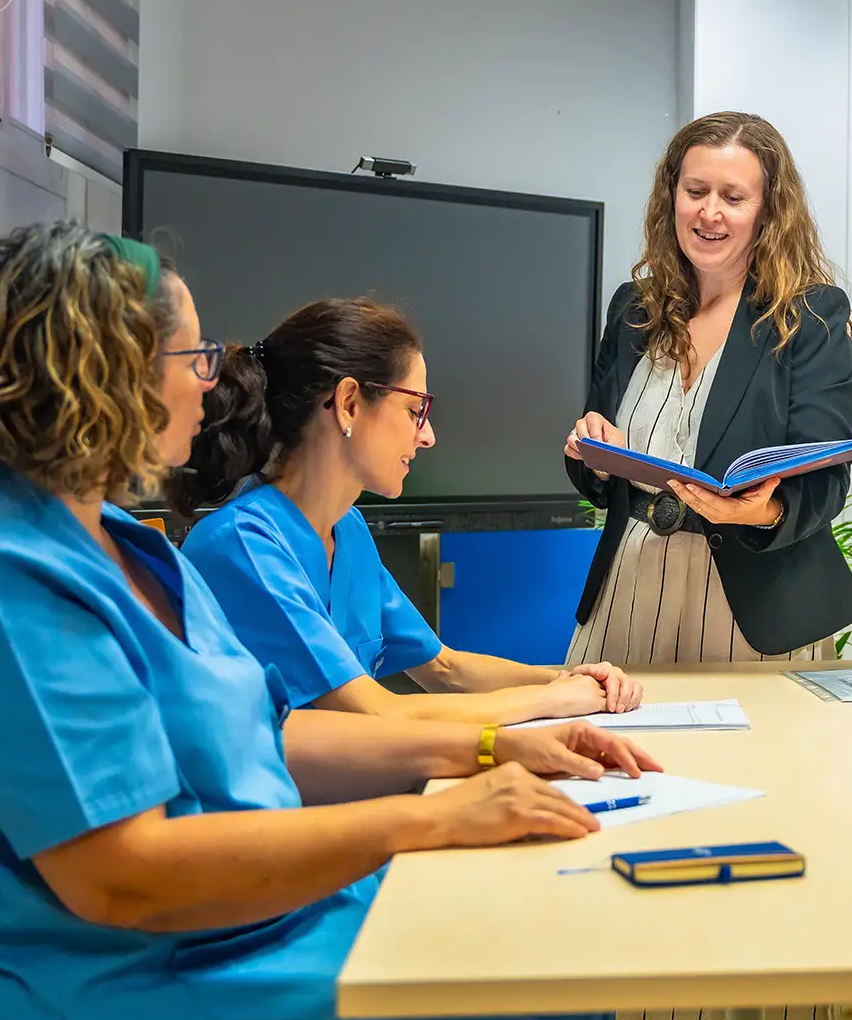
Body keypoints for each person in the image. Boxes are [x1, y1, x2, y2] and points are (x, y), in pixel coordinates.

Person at [0, 223, 661, 1020]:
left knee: (580, 1016)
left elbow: (274, 734)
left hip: (251, 933)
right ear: (103, 372)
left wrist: (493, 747)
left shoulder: (122, 539)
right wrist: (429, 817)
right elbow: (121, 877)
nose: (213, 377)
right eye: (191, 355)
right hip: (124, 1008)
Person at [559, 110, 852, 1020]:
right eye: (695, 190)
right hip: (635, 587)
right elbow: (600, 451)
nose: (711, 211)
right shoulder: (631, 307)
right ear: (670, 197)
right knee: (622, 811)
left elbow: (825, 469)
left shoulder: (811, 316)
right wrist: (588, 444)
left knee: (741, 828)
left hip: (749, 602)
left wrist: (764, 505)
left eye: (734, 194)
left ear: (768, 207)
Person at [175, 297, 642, 721]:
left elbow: (444, 667)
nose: (428, 435)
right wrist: (554, 701)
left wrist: (572, 678)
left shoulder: (348, 529)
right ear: (349, 404)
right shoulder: (242, 544)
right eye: (414, 410)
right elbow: (375, 715)